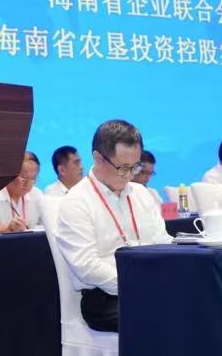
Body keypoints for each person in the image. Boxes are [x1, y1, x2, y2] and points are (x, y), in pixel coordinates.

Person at [56, 120, 172, 332]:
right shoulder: (76, 202)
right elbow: (87, 266)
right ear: (98, 158)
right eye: (123, 168)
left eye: (135, 167)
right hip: (105, 297)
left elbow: (162, 242)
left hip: (151, 285)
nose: (130, 175)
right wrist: (136, 285)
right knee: (164, 314)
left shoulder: (141, 194)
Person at [0, 151, 43, 232]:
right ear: (11, 175)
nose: (28, 184)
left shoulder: (37, 195)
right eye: (24, 178)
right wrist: (7, 228)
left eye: (33, 179)